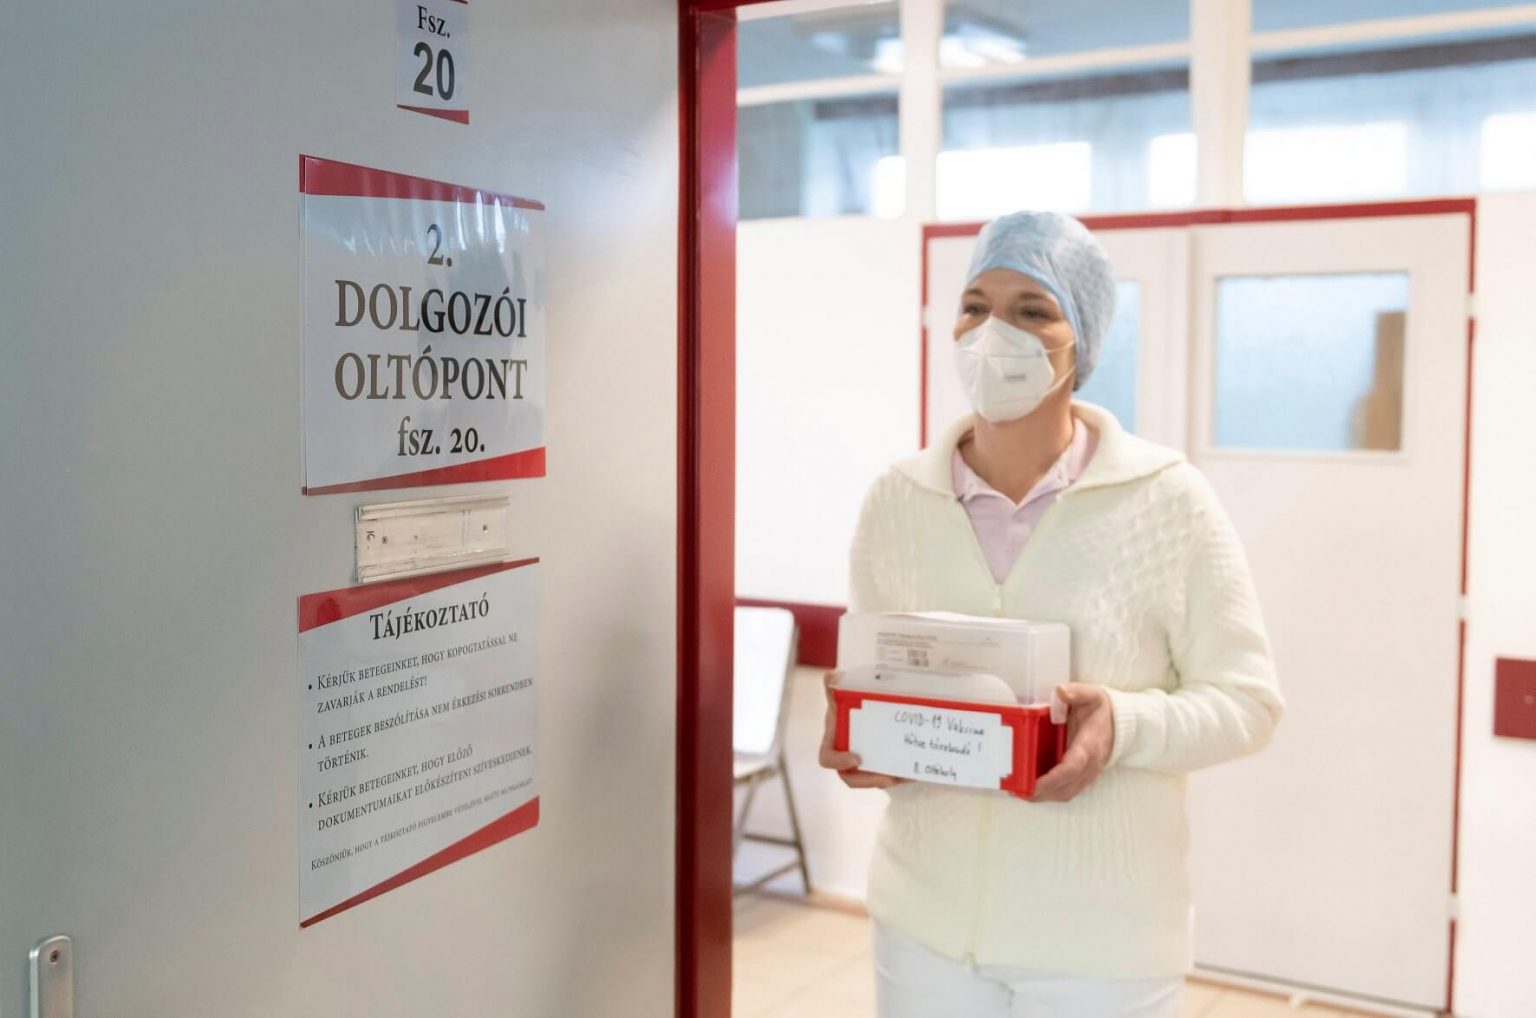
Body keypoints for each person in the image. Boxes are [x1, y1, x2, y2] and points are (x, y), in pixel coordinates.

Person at [818, 211, 1285, 1018]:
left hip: (1100, 948)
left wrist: (1124, 726)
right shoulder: (898, 501)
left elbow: (1249, 704)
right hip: (924, 928)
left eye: (1032, 310)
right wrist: (864, 732)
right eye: (975, 306)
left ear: (1081, 344)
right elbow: (880, 674)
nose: (993, 332)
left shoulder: (1166, 501)